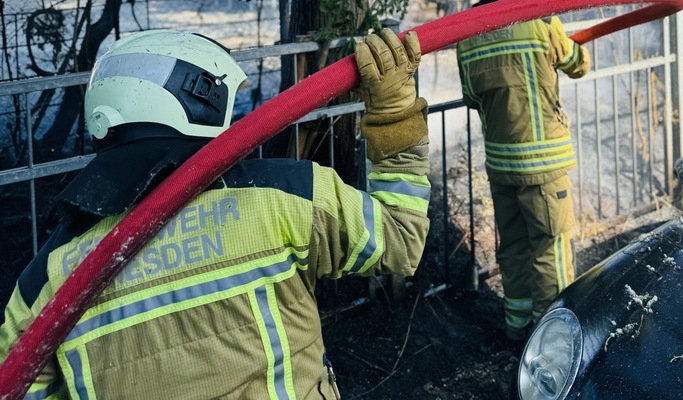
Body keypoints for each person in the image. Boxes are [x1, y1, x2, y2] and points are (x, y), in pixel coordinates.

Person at [0, 28, 430, 399]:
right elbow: (400, 239)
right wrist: (394, 112)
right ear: (201, 97)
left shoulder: (45, 280)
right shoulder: (283, 195)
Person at [457, 3, 591, 341]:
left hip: (501, 165)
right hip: (543, 166)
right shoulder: (540, 20)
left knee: (513, 247)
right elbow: (580, 65)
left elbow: (472, 97)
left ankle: (517, 331)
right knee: (550, 250)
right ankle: (553, 340)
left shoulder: (466, 35)